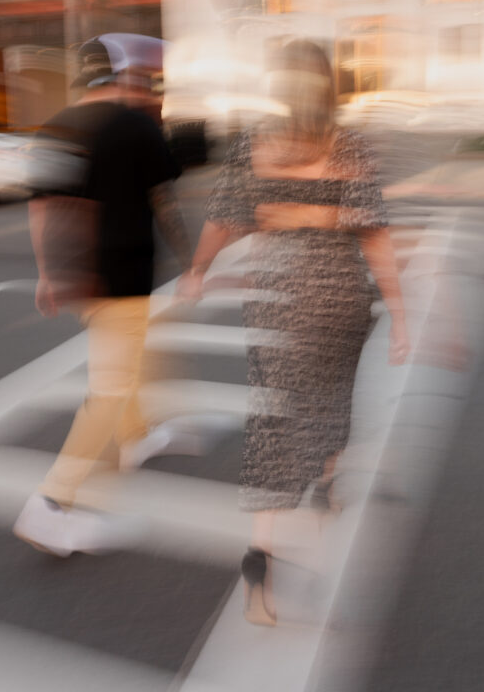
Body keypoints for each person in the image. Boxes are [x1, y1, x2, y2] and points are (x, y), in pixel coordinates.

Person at [178, 38, 410, 625]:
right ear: (330, 87)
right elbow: (375, 236)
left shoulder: (254, 146)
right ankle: (327, 487)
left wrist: (199, 269)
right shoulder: (349, 147)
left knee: (275, 418)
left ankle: (260, 553)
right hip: (339, 294)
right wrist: (401, 314)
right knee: (333, 395)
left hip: (278, 298)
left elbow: (224, 220)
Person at [14, 33, 192, 556]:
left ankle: (137, 437)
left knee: (133, 353)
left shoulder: (57, 127)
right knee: (110, 386)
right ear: (117, 75)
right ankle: (50, 503)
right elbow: (164, 199)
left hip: (80, 280)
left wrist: (48, 272)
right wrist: (191, 259)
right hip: (124, 277)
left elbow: (42, 207)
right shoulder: (136, 123)